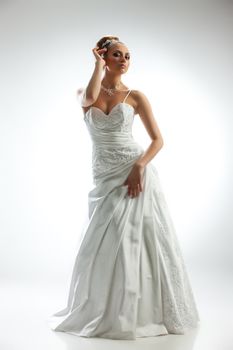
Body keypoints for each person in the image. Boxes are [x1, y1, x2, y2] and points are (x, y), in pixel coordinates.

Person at [48, 35, 200, 340]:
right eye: (117, 54)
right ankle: (103, 305)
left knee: (135, 237)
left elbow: (158, 140)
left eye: (128, 55)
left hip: (133, 170)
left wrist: (139, 167)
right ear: (104, 56)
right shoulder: (84, 93)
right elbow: (90, 99)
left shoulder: (136, 97)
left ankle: (140, 310)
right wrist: (96, 65)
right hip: (103, 175)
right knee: (103, 240)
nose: (125, 60)